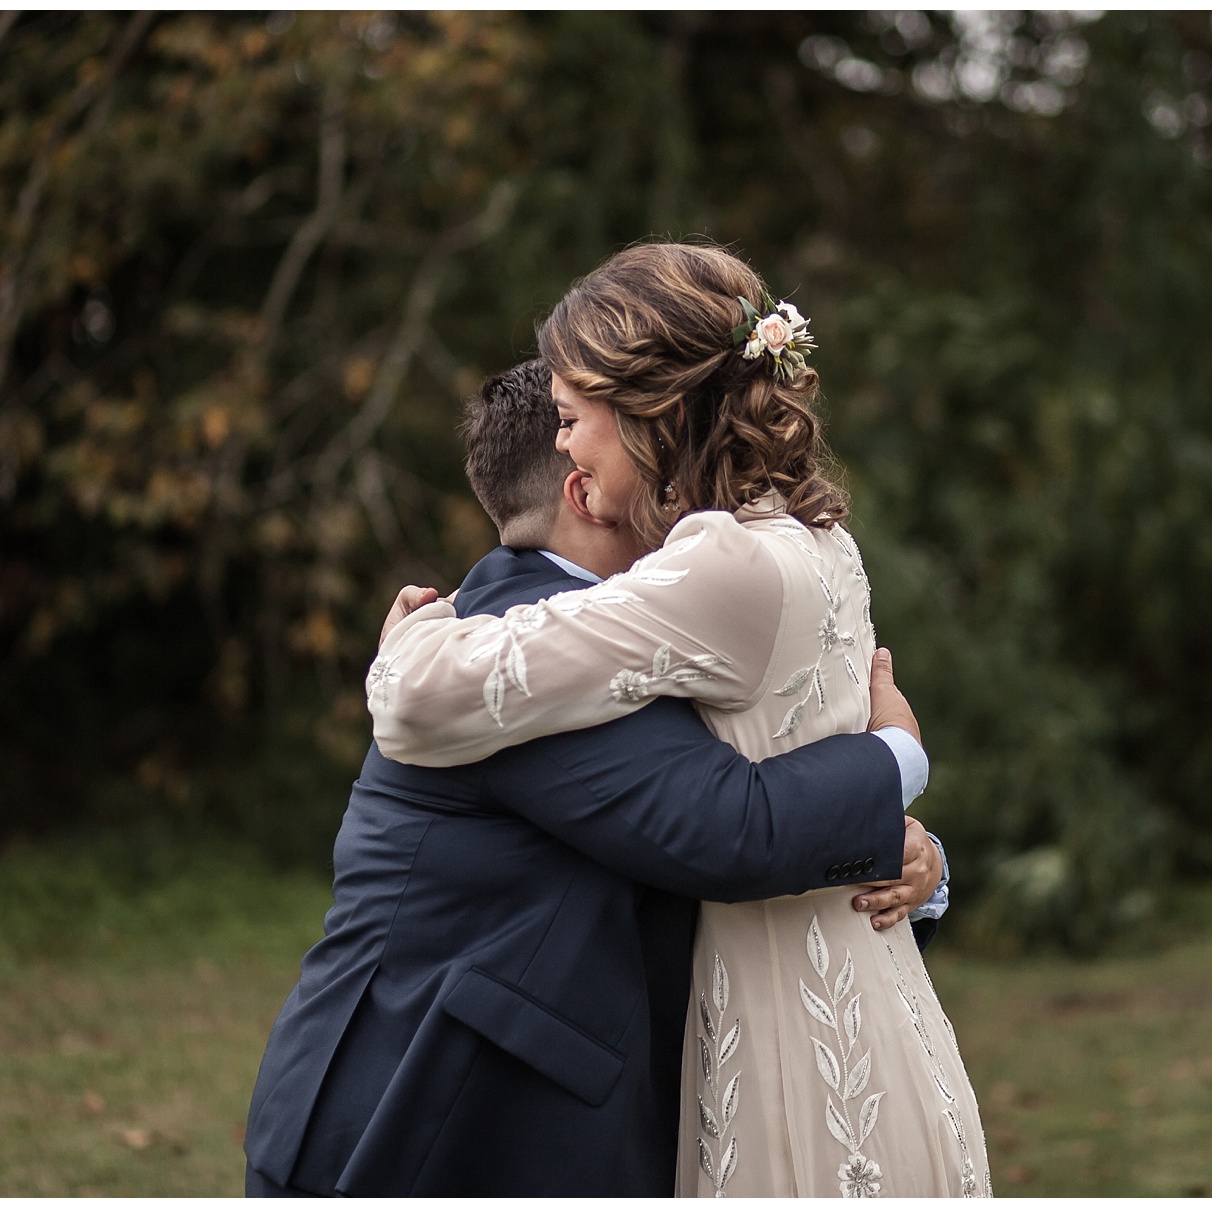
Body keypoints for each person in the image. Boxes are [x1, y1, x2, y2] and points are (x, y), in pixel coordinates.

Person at [370, 243, 992, 1197]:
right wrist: (904, 812)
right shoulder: (816, 536)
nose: (564, 446)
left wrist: (409, 637)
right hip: (884, 1018)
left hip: (789, 1054)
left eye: (575, 419)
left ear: (647, 414)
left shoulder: (717, 565)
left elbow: (417, 706)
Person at [243, 359, 947, 1196]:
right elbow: (725, 830)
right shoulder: (520, 648)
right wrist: (895, 752)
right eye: (664, 462)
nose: (694, 495)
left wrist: (906, 857)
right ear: (588, 490)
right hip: (429, 1121)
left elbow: (734, 790)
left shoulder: (624, 642)